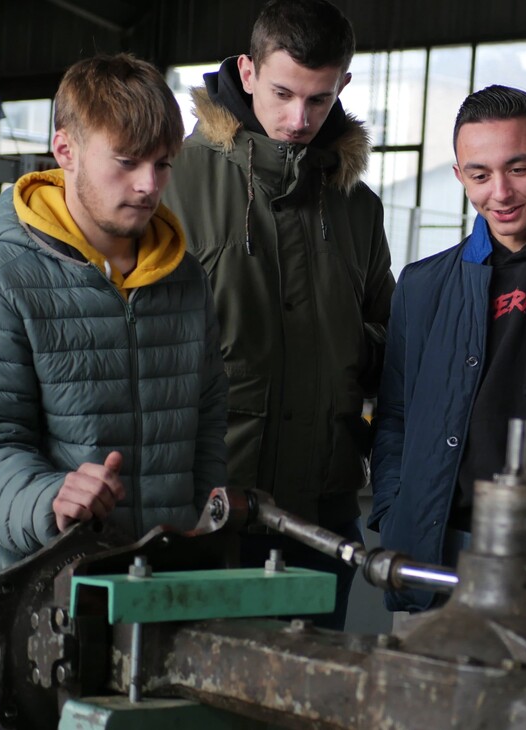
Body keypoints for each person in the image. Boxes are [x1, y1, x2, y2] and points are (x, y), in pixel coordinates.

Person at [0, 53, 226, 729]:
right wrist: (50, 496)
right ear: (65, 150)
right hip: (24, 591)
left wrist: (202, 522)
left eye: (162, 164)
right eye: (127, 162)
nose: (148, 184)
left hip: (145, 586)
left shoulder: (184, 278)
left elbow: (207, 418)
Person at [163, 0, 395, 630]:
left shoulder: (359, 208)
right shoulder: (171, 182)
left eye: (319, 100)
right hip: (204, 508)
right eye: (283, 93)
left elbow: (387, 342)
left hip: (320, 517)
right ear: (246, 72)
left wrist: (346, 352)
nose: (299, 119)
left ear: (343, 85)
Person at [369, 86, 526, 614]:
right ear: (460, 176)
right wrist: (395, 510)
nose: (500, 192)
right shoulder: (421, 287)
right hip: (443, 549)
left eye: (518, 168)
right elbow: (395, 416)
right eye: (480, 175)